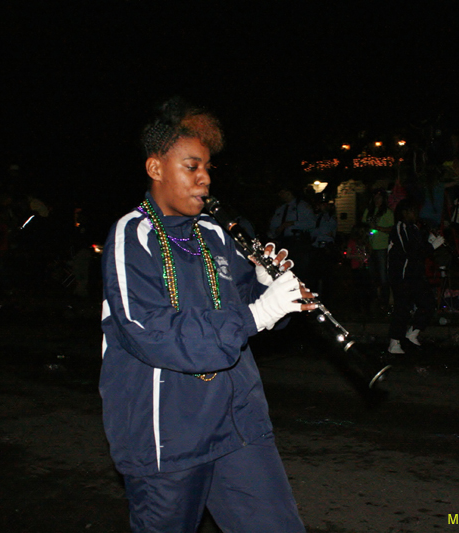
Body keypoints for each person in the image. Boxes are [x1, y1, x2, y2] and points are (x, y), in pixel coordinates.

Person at [100, 97, 313, 533]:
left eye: (208, 168)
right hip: (169, 439)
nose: (204, 180)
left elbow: (251, 311)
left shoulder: (216, 234)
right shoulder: (131, 235)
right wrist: (257, 313)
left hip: (237, 425)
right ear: (156, 168)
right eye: (192, 167)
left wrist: (274, 290)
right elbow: (152, 332)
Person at [386, 198, 443, 354]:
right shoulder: (400, 227)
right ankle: (394, 342)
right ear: (405, 212)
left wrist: (430, 241)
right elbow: (410, 251)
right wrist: (431, 246)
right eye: (413, 211)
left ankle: (412, 333)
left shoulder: (414, 228)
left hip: (416, 275)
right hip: (402, 276)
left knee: (428, 303)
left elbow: (420, 249)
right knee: (402, 309)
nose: (416, 214)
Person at [362, 188, 394, 311]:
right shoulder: (368, 211)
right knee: (371, 276)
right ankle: (373, 301)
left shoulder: (387, 212)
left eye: (379, 197)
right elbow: (363, 227)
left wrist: (378, 228)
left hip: (382, 247)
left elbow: (391, 229)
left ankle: (385, 302)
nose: (377, 199)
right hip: (370, 247)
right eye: (375, 197)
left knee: (383, 276)